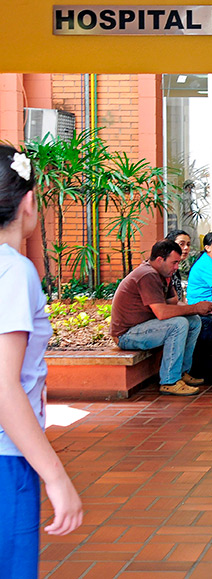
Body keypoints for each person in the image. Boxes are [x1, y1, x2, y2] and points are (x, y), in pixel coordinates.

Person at [0, 145, 84, 575]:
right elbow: (4, 385)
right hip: (7, 459)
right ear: (29, 202)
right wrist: (55, 474)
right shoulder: (14, 272)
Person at [112, 240, 212, 395]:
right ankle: (169, 380)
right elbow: (162, 313)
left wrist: (199, 308)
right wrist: (195, 307)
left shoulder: (162, 274)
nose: (176, 268)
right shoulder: (147, 275)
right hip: (127, 334)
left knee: (194, 321)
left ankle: (181, 373)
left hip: (145, 326)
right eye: (174, 263)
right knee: (178, 324)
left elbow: (173, 304)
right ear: (160, 259)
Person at [165, 228, 192, 302]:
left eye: (188, 244)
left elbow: (181, 298)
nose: (186, 248)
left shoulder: (176, 270)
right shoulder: (165, 270)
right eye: (181, 244)